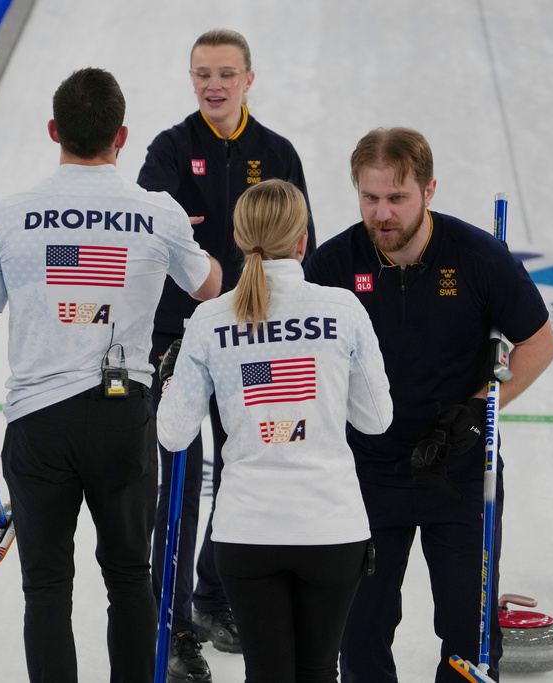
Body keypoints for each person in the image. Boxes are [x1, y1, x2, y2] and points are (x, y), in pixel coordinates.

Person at [0, 67, 221, 683]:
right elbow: (210, 288)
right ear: (121, 136)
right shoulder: (157, 212)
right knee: (129, 576)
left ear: (54, 131)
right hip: (122, 419)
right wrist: (188, 243)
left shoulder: (11, 214)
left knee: (45, 586)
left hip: (38, 424)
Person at [302, 127, 553, 682]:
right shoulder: (332, 266)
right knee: (360, 630)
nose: (382, 213)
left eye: (397, 198)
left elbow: (538, 345)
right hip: (368, 475)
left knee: (470, 635)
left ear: (429, 190)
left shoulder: (478, 257)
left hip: (460, 474)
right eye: (370, 198)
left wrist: (484, 407)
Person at [157, 179, 391, 683]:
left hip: (247, 531)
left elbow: (174, 435)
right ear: (302, 239)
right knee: (318, 672)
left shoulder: (208, 319)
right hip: (331, 527)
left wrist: (170, 380)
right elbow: (376, 420)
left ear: (240, 240)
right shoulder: (343, 309)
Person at [136, 27, 317, 680]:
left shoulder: (277, 153)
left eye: (226, 73)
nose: (214, 84)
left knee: (246, 471)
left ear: (248, 78)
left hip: (253, 343)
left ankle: (212, 595)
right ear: (192, 80)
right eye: (202, 73)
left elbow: (304, 250)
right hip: (179, 345)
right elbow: (150, 233)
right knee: (179, 488)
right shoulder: (171, 149)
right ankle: (175, 624)